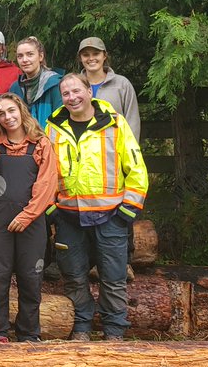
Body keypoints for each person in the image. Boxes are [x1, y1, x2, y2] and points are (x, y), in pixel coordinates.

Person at [45, 74, 148, 342]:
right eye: (66, 93)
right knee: (73, 276)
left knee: (113, 278)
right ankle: (81, 326)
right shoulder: (53, 128)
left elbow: (136, 168)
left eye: (76, 91)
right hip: (69, 216)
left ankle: (114, 331)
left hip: (111, 215)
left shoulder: (115, 123)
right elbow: (43, 173)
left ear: (89, 91)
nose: (72, 97)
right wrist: (51, 210)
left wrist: (127, 210)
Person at [0, 94, 58, 342]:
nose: (8, 117)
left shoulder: (40, 143)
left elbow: (47, 184)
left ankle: (29, 332)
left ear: (21, 111)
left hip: (32, 219)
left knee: (31, 275)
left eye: (11, 111)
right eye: (1, 114)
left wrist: (27, 216)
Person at [78, 37, 141, 139]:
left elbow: (132, 120)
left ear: (104, 56)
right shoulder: (74, 86)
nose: (91, 58)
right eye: (86, 55)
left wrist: (131, 147)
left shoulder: (122, 84)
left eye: (96, 54)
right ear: (80, 58)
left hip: (116, 146)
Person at [8, 36, 62, 128]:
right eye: (20, 56)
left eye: (30, 54)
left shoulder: (55, 84)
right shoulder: (15, 88)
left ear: (40, 56)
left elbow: (61, 119)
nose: (24, 60)